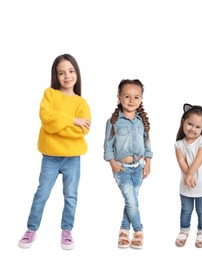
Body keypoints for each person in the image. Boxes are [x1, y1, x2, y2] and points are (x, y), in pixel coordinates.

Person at [18, 54, 91, 250]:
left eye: (71, 71)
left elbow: (81, 131)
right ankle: (31, 230)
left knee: (71, 196)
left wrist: (57, 124)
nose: (67, 76)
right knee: (42, 193)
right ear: (56, 76)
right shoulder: (49, 94)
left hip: (72, 159)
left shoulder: (81, 103)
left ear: (77, 73)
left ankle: (67, 231)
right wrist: (72, 120)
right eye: (61, 73)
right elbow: (45, 118)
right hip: (50, 157)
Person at [103, 79, 152, 249]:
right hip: (121, 168)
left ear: (141, 99)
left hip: (138, 168)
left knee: (131, 201)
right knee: (131, 201)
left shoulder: (141, 122)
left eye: (136, 97)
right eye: (127, 96)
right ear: (119, 98)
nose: (132, 101)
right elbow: (107, 146)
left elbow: (147, 145)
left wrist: (148, 163)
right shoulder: (113, 122)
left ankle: (124, 230)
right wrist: (113, 164)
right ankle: (138, 231)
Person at [174, 104, 202, 248]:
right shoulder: (179, 144)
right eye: (190, 124)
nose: (192, 128)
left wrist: (190, 174)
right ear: (183, 122)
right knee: (185, 209)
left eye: (197, 127)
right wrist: (188, 176)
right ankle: (184, 231)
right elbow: (181, 160)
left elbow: (198, 159)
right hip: (186, 185)